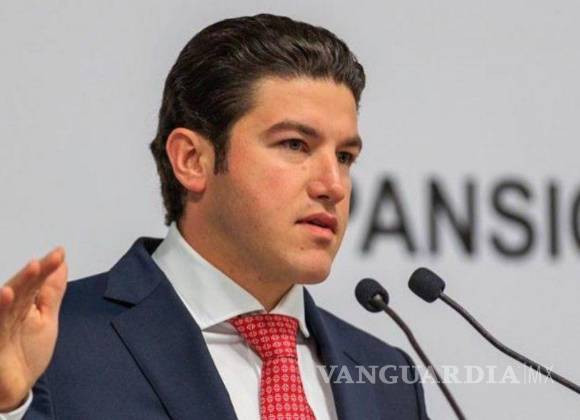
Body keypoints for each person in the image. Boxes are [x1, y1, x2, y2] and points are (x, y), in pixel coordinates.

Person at [0, 14, 429, 420]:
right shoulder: (51, 347)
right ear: (192, 160)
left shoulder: (388, 377)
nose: (333, 185)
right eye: (295, 144)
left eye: (345, 156)